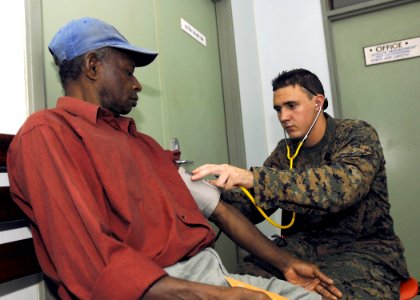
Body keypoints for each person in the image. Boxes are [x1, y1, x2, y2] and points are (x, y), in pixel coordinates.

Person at [7, 18, 342, 300]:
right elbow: (92, 264)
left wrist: (286, 265)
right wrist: (220, 296)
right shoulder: (49, 135)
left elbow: (219, 209)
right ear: (93, 66)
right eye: (127, 72)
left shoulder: (142, 145)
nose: (137, 84)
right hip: (158, 288)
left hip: (208, 276)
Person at [192, 68, 410, 299]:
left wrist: (254, 178)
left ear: (318, 102)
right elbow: (254, 208)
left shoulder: (356, 134)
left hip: (362, 248)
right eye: (278, 109)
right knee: (242, 284)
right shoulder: (285, 152)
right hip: (303, 247)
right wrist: (206, 192)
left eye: (291, 106)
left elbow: (342, 189)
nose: (283, 116)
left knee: (333, 293)